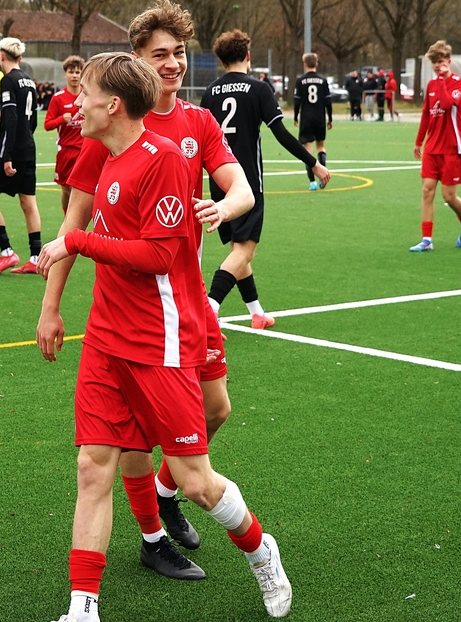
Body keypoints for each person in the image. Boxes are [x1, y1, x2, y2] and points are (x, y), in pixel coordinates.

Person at [38, 52, 291, 622]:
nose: (76, 102)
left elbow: (157, 256)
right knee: (92, 466)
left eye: (84, 93)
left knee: (196, 481)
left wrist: (76, 243)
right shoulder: (103, 155)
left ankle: (260, 550)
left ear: (113, 105)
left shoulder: (165, 160)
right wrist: (54, 295)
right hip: (105, 338)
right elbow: (82, 224)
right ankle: (82, 608)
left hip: (160, 340)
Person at [201, 30, 331, 331]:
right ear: (248, 56)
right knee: (245, 250)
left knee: (239, 250)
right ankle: (209, 310)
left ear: (221, 61)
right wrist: (313, 163)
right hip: (246, 183)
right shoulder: (258, 88)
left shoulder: (209, 92)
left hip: (218, 181)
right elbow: (281, 133)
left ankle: (257, 312)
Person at [0, 38, 43, 275]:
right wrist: (26, 138)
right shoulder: (29, 80)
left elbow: (10, 118)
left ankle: (7, 252)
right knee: (28, 202)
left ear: (2, 56)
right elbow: (33, 119)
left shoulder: (7, 80)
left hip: (12, 149)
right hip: (28, 147)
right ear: (21, 57)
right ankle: (35, 257)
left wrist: (6, 155)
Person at [410, 39, 461, 253]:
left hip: (451, 148)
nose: (438, 66)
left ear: (449, 61)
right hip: (432, 148)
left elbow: (448, 104)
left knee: (448, 197)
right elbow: (426, 115)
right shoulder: (431, 85)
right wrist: (419, 141)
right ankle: (426, 240)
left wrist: (442, 81)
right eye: (434, 63)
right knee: (427, 191)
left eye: (441, 61)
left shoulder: (458, 82)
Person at [44, 55, 86, 212]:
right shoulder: (58, 98)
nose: (74, 76)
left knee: (88, 190)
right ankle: (67, 219)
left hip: (85, 150)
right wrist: (61, 119)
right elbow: (47, 125)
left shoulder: (88, 96)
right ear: (65, 74)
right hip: (66, 150)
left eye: (77, 72)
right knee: (66, 189)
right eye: (71, 72)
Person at [293, 52, 332, 191]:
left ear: (305, 64)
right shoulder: (323, 81)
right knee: (320, 147)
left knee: (308, 152)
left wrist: (295, 116)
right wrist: (330, 118)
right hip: (320, 118)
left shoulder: (300, 81)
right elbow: (328, 101)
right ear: (317, 64)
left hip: (306, 119)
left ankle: (312, 182)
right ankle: (323, 178)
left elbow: (297, 101)